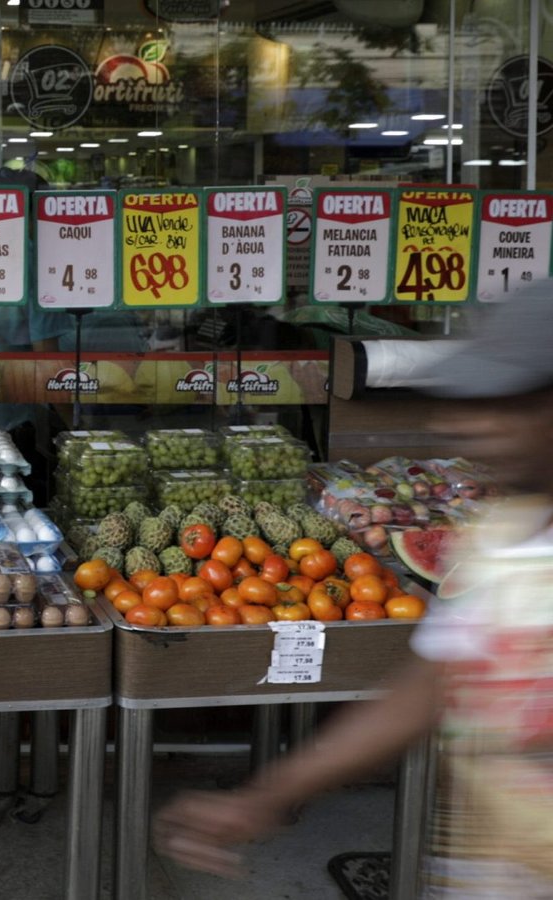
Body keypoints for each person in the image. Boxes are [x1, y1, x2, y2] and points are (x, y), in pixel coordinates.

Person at [156, 284, 553, 898]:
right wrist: (264, 797)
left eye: (508, 403)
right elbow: (429, 686)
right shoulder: (504, 535)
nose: (467, 424)